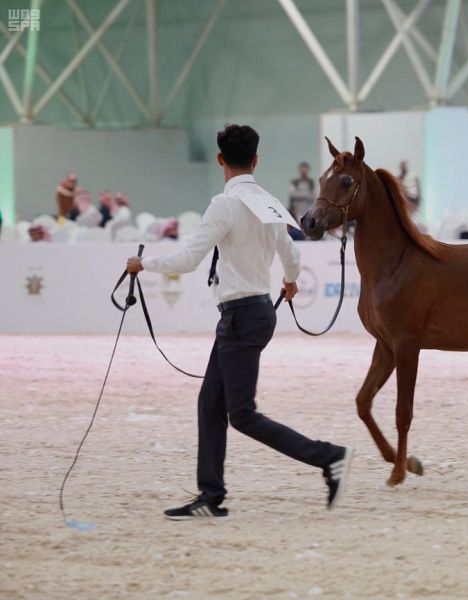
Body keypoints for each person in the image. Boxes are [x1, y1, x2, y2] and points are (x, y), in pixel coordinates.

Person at [125, 124, 353, 520]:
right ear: (256, 160)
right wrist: (291, 281)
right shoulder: (269, 203)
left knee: (242, 414)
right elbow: (292, 253)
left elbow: (188, 260)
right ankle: (211, 495)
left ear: (219, 160)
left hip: (240, 316)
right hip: (257, 312)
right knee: (210, 403)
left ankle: (328, 457)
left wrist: (142, 263)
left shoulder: (224, 205)